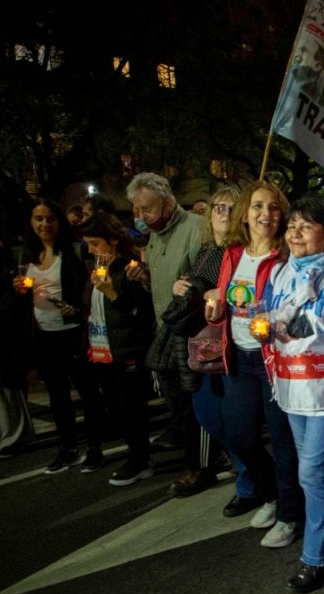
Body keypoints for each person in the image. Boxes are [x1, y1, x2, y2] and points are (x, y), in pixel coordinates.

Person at [265, 196, 324, 592]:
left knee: (312, 472)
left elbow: (315, 323)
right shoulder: (281, 272)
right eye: (292, 226)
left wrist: (293, 313)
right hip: (291, 387)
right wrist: (263, 324)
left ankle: (316, 557)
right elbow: (272, 316)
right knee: (315, 469)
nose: (295, 233)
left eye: (306, 226)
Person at [204, 180, 296, 546]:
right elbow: (223, 307)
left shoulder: (286, 256)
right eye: (258, 206)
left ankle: (291, 516)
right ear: (246, 212)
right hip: (239, 358)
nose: (266, 214)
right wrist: (213, 311)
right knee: (239, 435)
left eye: (273, 207)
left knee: (283, 440)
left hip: (273, 360)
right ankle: (273, 495)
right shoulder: (232, 255)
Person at [177, 188, 261, 516]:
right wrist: (182, 287)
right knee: (209, 417)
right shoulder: (204, 252)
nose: (224, 214)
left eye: (231, 208)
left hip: (234, 347)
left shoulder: (243, 253)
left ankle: (250, 484)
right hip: (205, 346)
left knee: (236, 423)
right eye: (218, 208)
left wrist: (222, 293)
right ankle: (250, 474)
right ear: (209, 215)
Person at [124, 173, 206, 494]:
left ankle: (199, 466)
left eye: (147, 208)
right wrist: (145, 276)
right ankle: (194, 459)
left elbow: (201, 281)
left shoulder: (197, 229)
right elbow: (162, 282)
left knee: (192, 406)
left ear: (169, 202)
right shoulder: (156, 236)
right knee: (176, 405)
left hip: (191, 334)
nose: (140, 217)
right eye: (136, 210)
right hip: (165, 332)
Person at [12, 199, 105, 474]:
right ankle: (68, 448)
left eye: (49, 218)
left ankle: (95, 448)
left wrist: (77, 309)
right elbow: (23, 297)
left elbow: (88, 286)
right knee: (57, 395)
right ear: (31, 222)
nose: (44, 224)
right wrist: (19, 290)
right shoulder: (26, 255)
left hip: (72, 332)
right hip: (42, 334)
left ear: (59, 221)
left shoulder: (73, 251)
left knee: (87, 392)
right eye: (38, 219)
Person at [81, 213, 155, 482]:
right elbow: (92, 311)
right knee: (115, 407)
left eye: (96, 243)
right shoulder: (97, 269)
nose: (91, 250)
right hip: (101, 350)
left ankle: (141, 460)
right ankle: (135, 455)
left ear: (113, 241)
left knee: (132, 408)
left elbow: (140, 315)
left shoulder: (130, 269)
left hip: (127, 351)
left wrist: (112, 294)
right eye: (88, 244)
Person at [0, 225, 33, 459]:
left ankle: (12, 434)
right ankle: (1, 431)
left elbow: (4, 280)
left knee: (3, 383)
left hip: (0, 322)